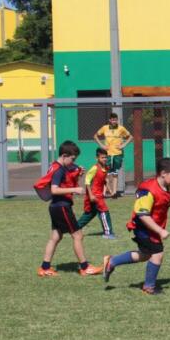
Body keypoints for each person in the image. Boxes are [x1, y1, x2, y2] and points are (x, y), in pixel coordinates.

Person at [102, 157, 170, 295]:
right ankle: (149, 287)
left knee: (145, 255)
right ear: (163, 173)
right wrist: (160, 230)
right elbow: (142, 215)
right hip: (142, 227)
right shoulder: (147, 190)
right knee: (157, 253)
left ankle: (112, 262)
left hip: (153, 226)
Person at [37, 140, 101, 277]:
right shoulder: (59, 170)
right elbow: (54, 190)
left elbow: (65, 179)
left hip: (55, 206)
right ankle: (85, 267)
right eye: (72, 159)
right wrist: (75, 189)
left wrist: (77, 174)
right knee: (78, 235)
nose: (73, 162)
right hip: (62, 207)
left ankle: (44, 267)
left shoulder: (56, 166)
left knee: (55, 236)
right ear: (64, 155)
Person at [77, 147, 115, 239]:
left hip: (99, 194)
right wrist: (90, 195)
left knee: (90, 213)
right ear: (97, 158)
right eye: (102, 157)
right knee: (104, 210)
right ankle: (108, 233)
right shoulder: (94, 168)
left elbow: (104, 180)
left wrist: (110, 190)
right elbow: (87, 181)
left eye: (106, 157)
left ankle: (75, 227)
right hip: (94, 195)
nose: (105, 159)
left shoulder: (106, 168)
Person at [94, 112, 133, 198]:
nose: (114, 121)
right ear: (110, 120)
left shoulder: (121, 128)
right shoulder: (104, 128)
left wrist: (123, 145)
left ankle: (114, 192)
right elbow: (95, 136)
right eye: (112, 120)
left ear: (117, 120)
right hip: (107, 154)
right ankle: (105, 192)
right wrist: (102, 146)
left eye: (115, 120)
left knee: (115, 173)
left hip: (117, 154)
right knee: (106, 173)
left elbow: (130, 137)